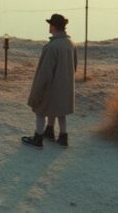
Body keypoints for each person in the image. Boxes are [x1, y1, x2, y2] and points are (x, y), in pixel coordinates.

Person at [22, 13, 77, 148]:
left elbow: (45, 72)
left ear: (53, 26)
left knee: (40, 110)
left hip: (52, 86)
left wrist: (38, 89)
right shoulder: (70, 44)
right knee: (60, 111)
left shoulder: (52, 47)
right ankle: (60, 136)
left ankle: (38, 138)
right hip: (65, 85)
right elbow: (74, 66)